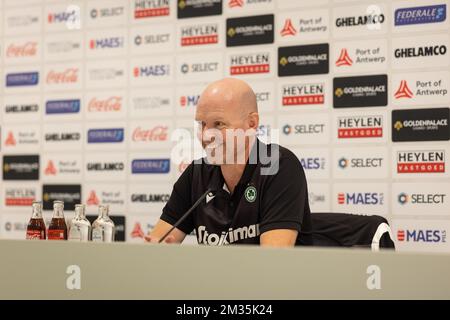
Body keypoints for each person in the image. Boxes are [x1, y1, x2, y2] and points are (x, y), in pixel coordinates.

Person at [145, 78, 312, 247]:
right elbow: (157, 245)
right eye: (202, 124)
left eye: (219, 124)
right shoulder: (196, 173)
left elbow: (272, 261)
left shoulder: (278, 166)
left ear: (252, 123)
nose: (205, 136)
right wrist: (158, 251)